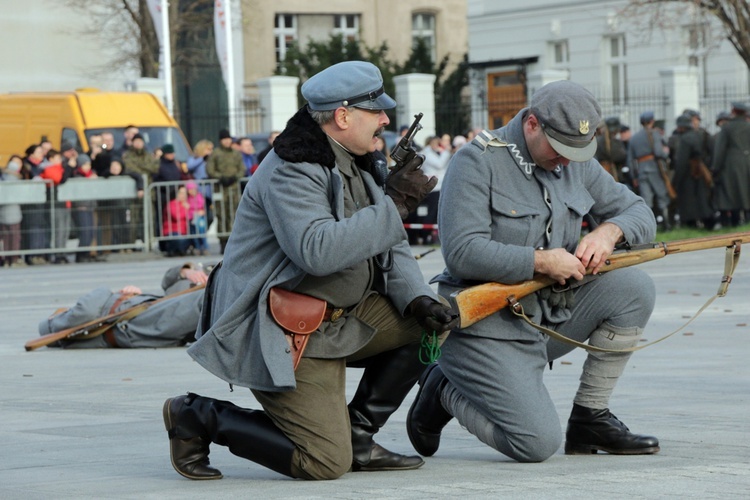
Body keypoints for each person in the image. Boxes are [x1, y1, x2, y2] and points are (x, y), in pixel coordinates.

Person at [162, 60, 457, 481]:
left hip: (339, 318)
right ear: (342, 116)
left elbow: (390, 246)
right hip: (283, 330)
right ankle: (199, 417)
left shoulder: (356, 158)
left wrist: (418, 298)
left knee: (434, 317)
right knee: (323, 462)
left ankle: (358, 434)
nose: (385, 119)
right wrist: (391, 207)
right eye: (376, 111)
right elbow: (316, 252)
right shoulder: (292, 168)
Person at [407, 80, 660, 465]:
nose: (565, 161)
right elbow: (461, 252)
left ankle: (590, 417)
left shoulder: (575, 162)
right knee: (536, 444)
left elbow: (640, 212)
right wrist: (541, 261)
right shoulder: (476, 160)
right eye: (558, 149)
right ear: (531, 124)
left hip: (549, 318)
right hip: (486, 328)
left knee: (635, 287)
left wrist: (610, 232)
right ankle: (442, 387)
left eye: (575, 151)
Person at [38, 263, 209, 348]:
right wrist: (187, 271)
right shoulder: (206, 270)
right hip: (146, 313)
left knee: (207, 301)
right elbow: (168, 279)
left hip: (144, 318)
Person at [627, 111, 672, 230]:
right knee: (662, 196)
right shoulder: (655, 134)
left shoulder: (634, 138)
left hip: (641, 171)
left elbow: (630, 160)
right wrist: (666, 153)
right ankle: (666, 224)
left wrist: (634, 177)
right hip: (655, 169)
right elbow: (658, 152)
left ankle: (649, 227)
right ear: (652, 121)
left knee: (647, 200)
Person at [671, 114, 714, 229]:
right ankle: (708, 222)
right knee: (702, 198)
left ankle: (691, 224)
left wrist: (676, 180)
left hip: (688, 173)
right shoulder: (700, 134)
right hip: (701, 170)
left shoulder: (685, 139)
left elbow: (681, 161)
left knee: (688, 200)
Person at [712, 101, 750, 227]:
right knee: (746, 191)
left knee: (732, 193)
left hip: (732, 165)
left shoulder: (727, 128)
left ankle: (735, 221)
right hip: (747, 162)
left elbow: (720, 150)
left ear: (733, 111)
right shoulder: (748, 126)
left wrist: (715, 168)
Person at [206, 128, 243, 254]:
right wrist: (220, 177)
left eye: (228, 139)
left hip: (233, 189)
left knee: (233, 216)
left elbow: (242, 169)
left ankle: (233, 242)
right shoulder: (215, 154)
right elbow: (210, 169)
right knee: (221, 215)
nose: (227, 142)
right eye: (224, 139)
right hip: (220, 189)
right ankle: (222, 241)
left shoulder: (236, 153)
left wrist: (234, 177)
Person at [0, 155, 24, 267]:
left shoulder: (2, 178)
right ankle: (14, 258)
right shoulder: (16, 180)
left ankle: (4, 258)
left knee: (4, 237)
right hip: (14, 212)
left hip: (3, 213)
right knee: (14, 237)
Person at [186, 180, 209, 255]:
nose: (191, 191)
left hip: (199, 218)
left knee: (202, 233)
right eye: (189, 190)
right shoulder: (188, 198)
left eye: (193, 189)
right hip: (192, 219)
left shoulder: (199, 196)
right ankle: (197, 248)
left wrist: (194, 209)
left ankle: (205, 248)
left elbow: (200, 205)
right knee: (194, 235)